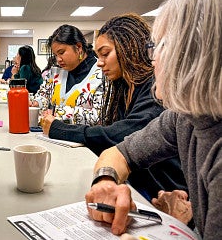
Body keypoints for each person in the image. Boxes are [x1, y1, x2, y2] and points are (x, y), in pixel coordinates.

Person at [85, 0, 221, 239]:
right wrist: (105, 181)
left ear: (198, 53)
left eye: (159, 46)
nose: (153, 59)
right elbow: (119, 153)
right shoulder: (183, 117)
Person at [42, 14, 186, 202]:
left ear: (128, 49)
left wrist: (59, 129)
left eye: (105, 54)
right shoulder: (122, 87)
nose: (99, 62)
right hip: (136, 185)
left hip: (165, 193)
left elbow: (118, 136)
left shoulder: (155, 90)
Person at [31, 24, 103, 126]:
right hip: (51, 136)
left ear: (78, 47)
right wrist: (36, 103)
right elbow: (43, 96)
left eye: (61, 52)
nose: (58, 59)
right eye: (56, 55)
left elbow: (99, 116)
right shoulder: (55, 72)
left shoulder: (101, 74)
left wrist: (59, 113)